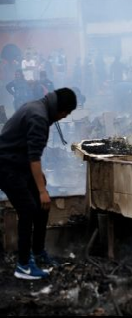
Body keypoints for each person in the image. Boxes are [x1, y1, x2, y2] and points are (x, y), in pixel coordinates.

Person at [0, 88, 77, 279]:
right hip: (6, 166)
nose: (63, 118)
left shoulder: (38, 107)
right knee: (27, 209)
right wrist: (42, 190)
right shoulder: (39, 117)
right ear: (60, 110)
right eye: (66, 114)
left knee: (43, 205)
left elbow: (27, 149)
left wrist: (40, 181)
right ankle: (24, 266)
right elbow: (34, 157)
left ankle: (38, 251)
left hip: (18, 163)